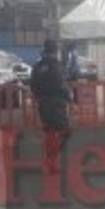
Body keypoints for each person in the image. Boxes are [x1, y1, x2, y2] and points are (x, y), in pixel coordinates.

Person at [30, 38, 73, 175]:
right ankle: (51, 161)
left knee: (49, 132)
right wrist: (70, 96)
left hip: (43, 103)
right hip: (56, 103)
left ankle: (51, 163)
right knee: (65, 131)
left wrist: (38, 96)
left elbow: (32, 85)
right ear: (55, 51)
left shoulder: (38, 66)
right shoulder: (56, 66)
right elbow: (61, 85)